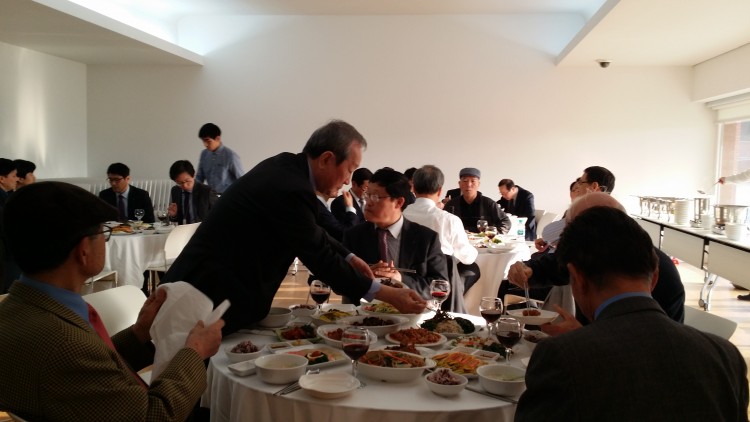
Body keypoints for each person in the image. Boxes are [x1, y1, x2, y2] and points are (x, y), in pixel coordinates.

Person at [162, 120, 426, 334]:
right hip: (202, 298)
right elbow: (319, 256)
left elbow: (313, 229)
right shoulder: (291, 188)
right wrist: (387, 294)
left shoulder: (287, 167)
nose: (348, 181)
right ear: (326, 159)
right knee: (183, 378)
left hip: (209, 292)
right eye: (350, 169)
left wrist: (350, 257)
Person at [0, 181, 224, 422]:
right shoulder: (63, 344)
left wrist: (138, 333)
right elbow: (154, 416)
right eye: (103, 233)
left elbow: (90, 375)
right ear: (83, 250)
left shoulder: (18, 309)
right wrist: (194, 352)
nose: (105, 241)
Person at [515, 206, 748, 421]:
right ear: (654, 277)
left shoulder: (562, 356)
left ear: (578, 279)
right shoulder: (726, 355)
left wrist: (580, 340)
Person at [508, 192, 686, 332]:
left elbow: (657, 344)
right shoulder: (588, 252)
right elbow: (556, 264)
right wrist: (529, 269)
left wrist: (580, 337)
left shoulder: (654, 267)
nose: (569, 235)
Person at [343, 168, 448, 299]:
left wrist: (401, 279)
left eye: (375, 197)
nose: (368, 203)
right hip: (364, 309)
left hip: (410, 309)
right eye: (367, 195)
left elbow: (440, 286)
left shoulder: (426, 239)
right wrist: (364, 278)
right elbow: (340, 282)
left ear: (399, 202)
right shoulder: (353, 236)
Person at [403, 165, 479, 307]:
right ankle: (454, 302)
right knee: (472, 268)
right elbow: (467, 257)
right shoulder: (448, 219)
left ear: (413, 188)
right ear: (439, 190)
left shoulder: (402, 215)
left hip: (407, 277)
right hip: (438, 279)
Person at [445, 167, 511, 233]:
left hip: (483, 239)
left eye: (473, 181)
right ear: (459, 184)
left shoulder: (488, 203)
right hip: (458, 239)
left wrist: (492, 233)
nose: (469, 184)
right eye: (465, 181)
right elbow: (443, 223)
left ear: (478, 184)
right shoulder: (451, 204)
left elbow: (505, 222)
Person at [196, 123, 244, 194]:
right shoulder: (204, 154)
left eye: (208, 141)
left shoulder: (231, 156)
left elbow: (242, 181)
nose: (205, 144)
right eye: (203, 141)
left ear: (218, 138)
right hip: (211, 197)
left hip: (227, 196)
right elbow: (199, 177)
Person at [168, 160, 219, 225]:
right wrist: (173, 215)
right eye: (179, 183)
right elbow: (175, 219)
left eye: (187, 181)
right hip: (182, 229)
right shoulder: (175, 191)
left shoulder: (207, 191)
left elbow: (219, 215)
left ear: (193, 175)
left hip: (201, 229)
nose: (184, 185)